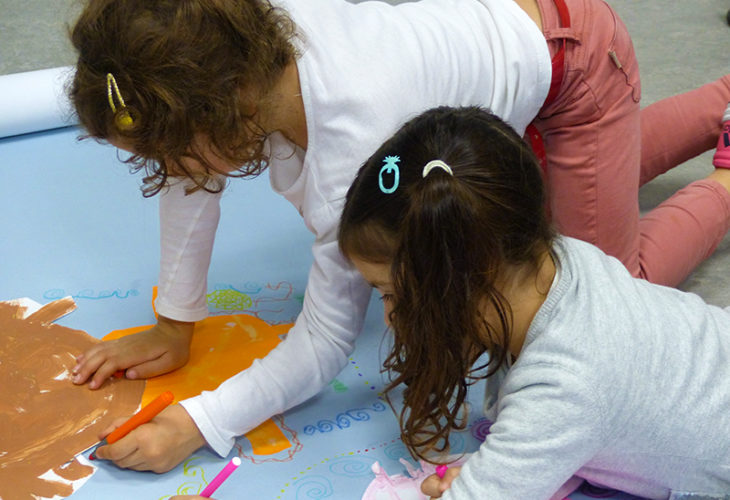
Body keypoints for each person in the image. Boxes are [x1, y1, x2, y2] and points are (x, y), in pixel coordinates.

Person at [66, 0, 730, 473]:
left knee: (611, 290)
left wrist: (199, 422)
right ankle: (721, 101)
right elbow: (189, 178)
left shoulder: (357, 157)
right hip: (506, 53)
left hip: (577, 66)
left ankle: (725, 178)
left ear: (227, 106)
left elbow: (324, 343)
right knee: (552, 198)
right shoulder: (235, 35)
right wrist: (175, 321)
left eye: (167, 154)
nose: (166, 173)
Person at [337, 106, 730, 500]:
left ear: (471, 276)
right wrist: (498, 473)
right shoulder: (557, 258)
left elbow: (562, 409)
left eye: (391, 294)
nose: (388, 319)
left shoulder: (564, 382)